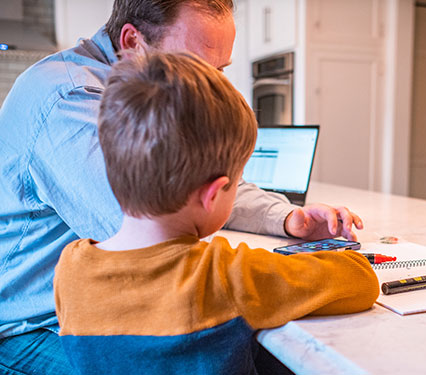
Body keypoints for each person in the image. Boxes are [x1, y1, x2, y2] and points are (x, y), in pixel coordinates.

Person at [0, 0, 366, 372]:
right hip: (31, 328)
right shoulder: (70, 98)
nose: (213, 86)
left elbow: (185, 185)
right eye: (195, 67)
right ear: (132, 42)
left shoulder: (75, 261)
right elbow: (156, 243)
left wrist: (287, 218)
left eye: (220, 70)